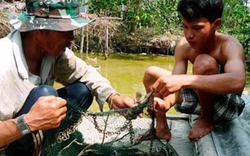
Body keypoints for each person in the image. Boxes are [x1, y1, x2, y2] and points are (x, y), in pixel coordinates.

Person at [0, 0, 136, 155]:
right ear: (40, 30)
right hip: (8, 144)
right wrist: (28, 122)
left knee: (82, 91)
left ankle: (49, 145)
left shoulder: (53, 53)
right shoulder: (3, 65)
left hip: (32, 130)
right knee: (45, 94)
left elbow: (84, 73)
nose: (71, 38)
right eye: (65, 30)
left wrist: (113, 97)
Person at [143, 0, 246, 141]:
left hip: (224, 106)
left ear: (216, 24)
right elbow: (175, 82)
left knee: (204, 62)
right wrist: (167, 103)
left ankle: (206, 118)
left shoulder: (229, 45)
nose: (189, 34)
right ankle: (161, 128)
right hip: (198, 98)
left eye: (197, 28)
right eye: (185, 27)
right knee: (151, 73)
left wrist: (184, 80)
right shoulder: (184, 46)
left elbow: (238, 81)